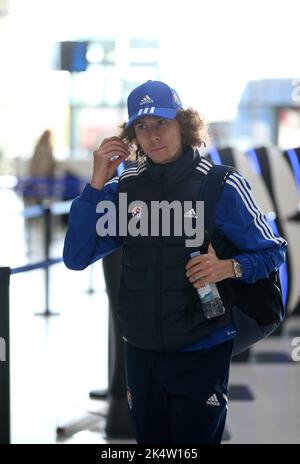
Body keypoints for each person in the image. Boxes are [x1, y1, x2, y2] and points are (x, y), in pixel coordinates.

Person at [63, 80, 287, 444]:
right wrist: (96, 185)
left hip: (202, 348)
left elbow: (273, 252)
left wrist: (228, 268)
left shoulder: (222, 186)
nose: (153, 135)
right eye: (142, 126)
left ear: (183, 124)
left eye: (161, 123)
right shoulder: (124, 190)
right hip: (140, 353)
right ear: (132, 134)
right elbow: (76, 257)